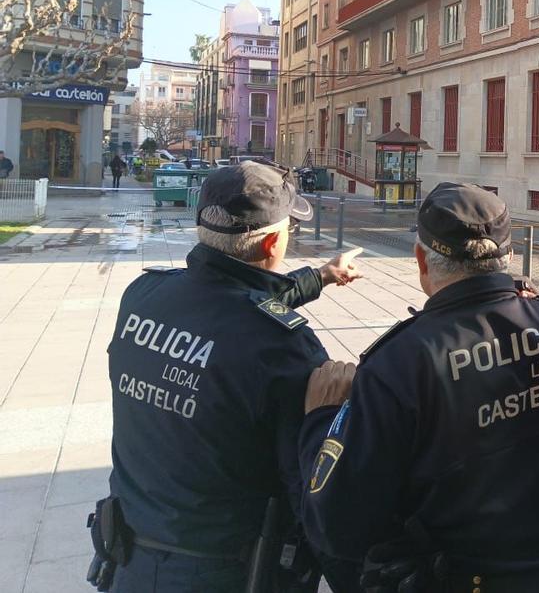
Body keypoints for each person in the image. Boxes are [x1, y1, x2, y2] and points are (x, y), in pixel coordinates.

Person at [299, 182, 539, 591]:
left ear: (421, 260)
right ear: (511, 257)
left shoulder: (397, 364)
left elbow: (335, 525)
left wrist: (320, 419)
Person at [95, 163, 364, 592]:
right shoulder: (285, 348)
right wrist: (325, 416)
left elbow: (231, 298)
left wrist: (320, 277)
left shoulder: (144, 297)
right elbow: (308, 485)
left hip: (130, 559)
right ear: (274, 240)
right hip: (227, 572)